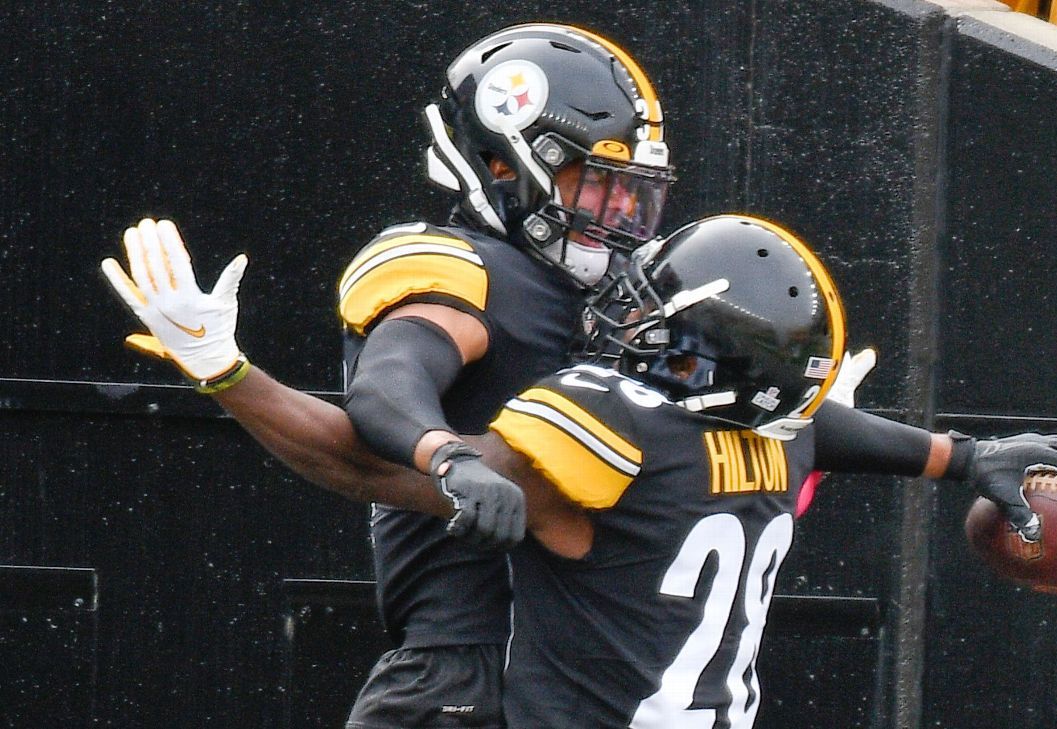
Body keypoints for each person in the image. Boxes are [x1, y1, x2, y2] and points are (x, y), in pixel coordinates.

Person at [102, 212, 1057, 727]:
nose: (627, 320)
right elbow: (826, 426)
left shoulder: (606, 423)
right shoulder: (783, 434)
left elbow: (365, 467)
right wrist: (961, 455)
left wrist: (226, 371)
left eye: (653, 314)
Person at [109, 22, 676, 729]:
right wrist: (448, 456)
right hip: (468, 668)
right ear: (505, 163)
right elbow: (386, 385)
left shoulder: (607, 299)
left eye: (630, 191)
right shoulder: (469, 272)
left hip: (587, 675)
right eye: (595, 184)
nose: (618, 212)